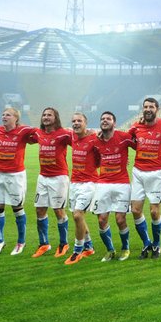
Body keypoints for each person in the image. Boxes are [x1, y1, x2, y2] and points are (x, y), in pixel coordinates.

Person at [128, 97, 161, 259]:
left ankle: (156, 244)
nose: (148, 109)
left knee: (154, 212)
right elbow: (124, 141)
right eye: (145, 107)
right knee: (135, 210)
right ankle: (146, 243)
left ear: (158, 109)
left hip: (157, 173)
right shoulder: (136, 126)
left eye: (151, 107)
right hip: (138, 172)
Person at [0, 107, 36, 256]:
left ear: (16, 118)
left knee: (17, 207)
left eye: (8, 115)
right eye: (3, 114)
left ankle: (21, 241)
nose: (4, 116)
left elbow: (39, 133)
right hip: (0, 174)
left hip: (16, 175)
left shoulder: (23, 131)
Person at [27, 107, 74, 258]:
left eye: (49, 115)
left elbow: (82, 138)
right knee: (40, 210)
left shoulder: (64, 133)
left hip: (59, 178)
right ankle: (44, 244)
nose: (46, 117)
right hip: (43, 177)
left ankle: (63, 243)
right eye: (44, 115)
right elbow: (22, 134)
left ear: (56, 118)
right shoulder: (38, 133)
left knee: (58, 211)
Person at [90, 111, 135, 262]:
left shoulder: (124, 137)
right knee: (102, 219)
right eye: (102, 119)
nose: (105, 121)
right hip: (103, 183)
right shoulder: (95, 141)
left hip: (122, 183)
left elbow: (140, 147)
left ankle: (125, 248)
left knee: (120, 219)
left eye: (108, 119)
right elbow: (96, 161)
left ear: (114, 123)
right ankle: (110, 250)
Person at [63, 111, 98, 265]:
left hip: (89, 182)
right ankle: (89, 246)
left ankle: (77, 250)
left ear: (86, 123)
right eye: (74, 121)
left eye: (79, 121)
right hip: (74, 183)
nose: (76, 123)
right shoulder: (71, 136)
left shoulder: (94, 138)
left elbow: (103, 154)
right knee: (78, 217)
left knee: (77, 215)